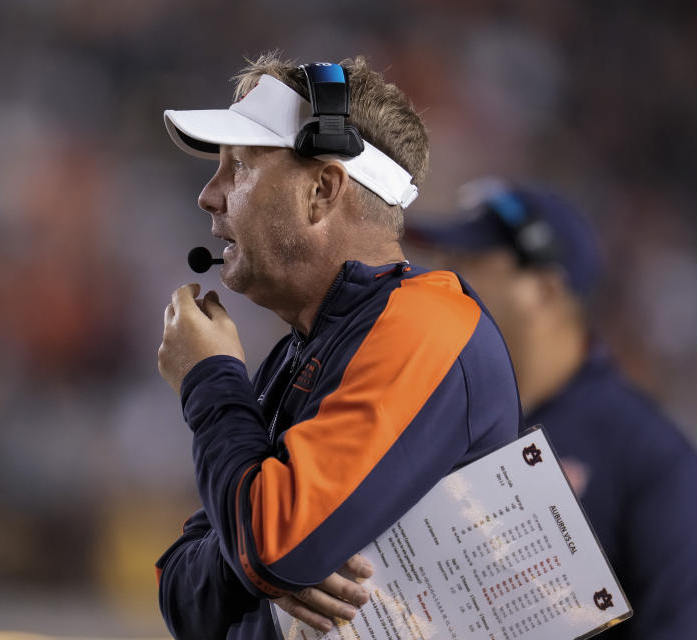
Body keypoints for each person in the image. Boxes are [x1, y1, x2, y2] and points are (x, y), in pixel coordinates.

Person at [154, 53, 522, 640]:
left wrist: (210, 375)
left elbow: (271, 545)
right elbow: (181, 596)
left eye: (241, 166)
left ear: (323, 189)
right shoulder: (300, 349)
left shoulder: (426, 324)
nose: (209, 195)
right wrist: (261, 559)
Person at [405, 177, 697, 640]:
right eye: (442, 261)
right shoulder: (426, 406)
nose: (438, 280)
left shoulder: (652, 458)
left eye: (469, 263)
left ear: (543, 289)